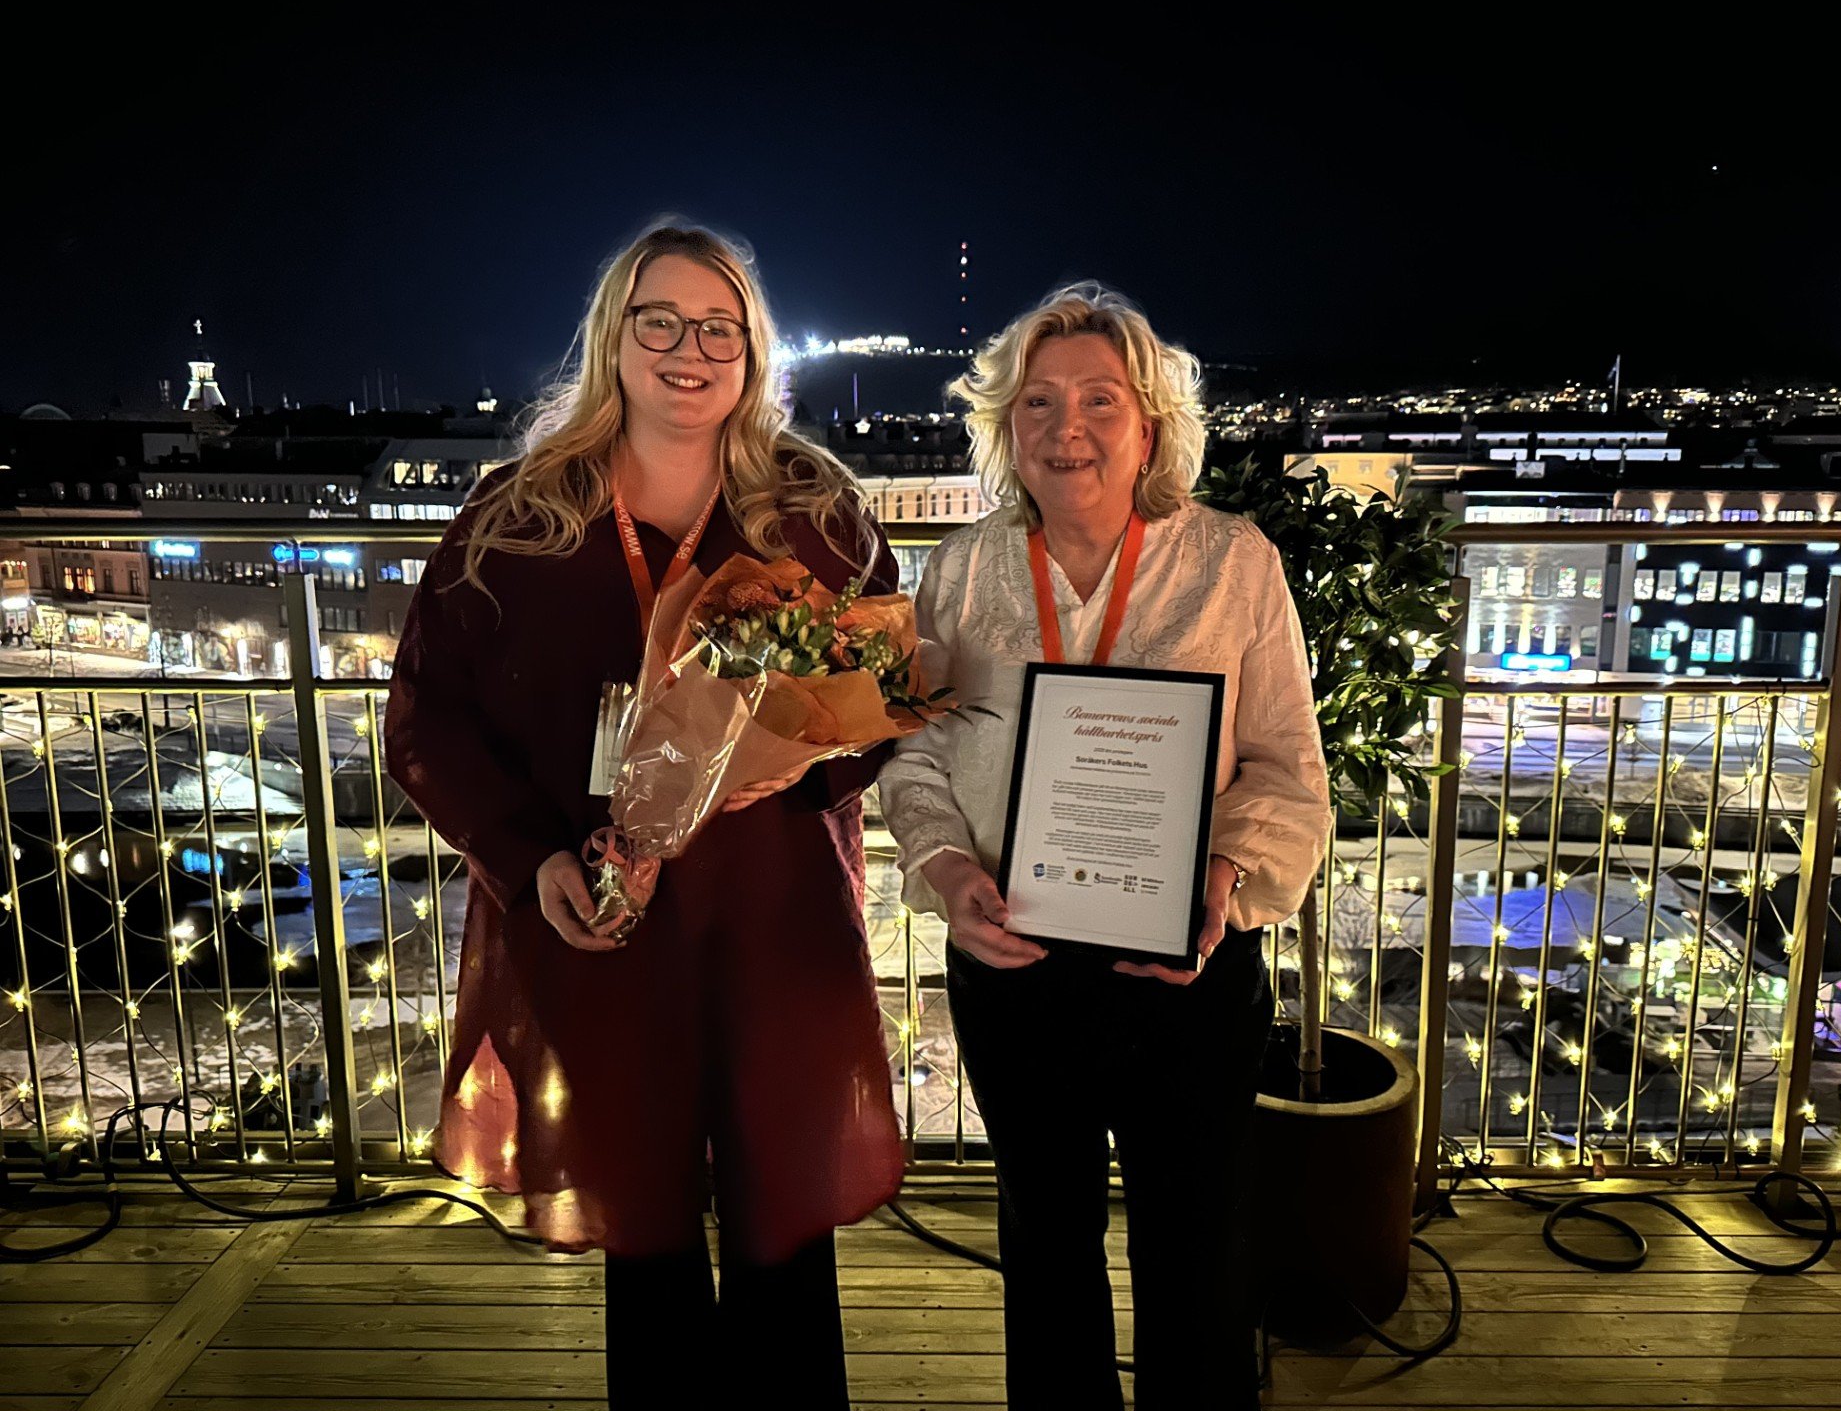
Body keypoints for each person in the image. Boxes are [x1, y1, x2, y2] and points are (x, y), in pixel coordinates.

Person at [384, 222, 903, 1409]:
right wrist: (528, 862)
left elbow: (883, 694)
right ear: (612, 338)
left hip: (773, 926)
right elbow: (426, 721)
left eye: (719, 328)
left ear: (753, 353)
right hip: (602, 923)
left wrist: (797, 770)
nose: (689, 349)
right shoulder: (519, 518)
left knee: (786, 1242)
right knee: (649, 1246)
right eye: (658, 321)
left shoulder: (814, 511)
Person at [878, 283, 1331, 1409]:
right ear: (1006, 425)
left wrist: (1221, 876)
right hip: (1013, 963)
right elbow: (911, 753)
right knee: (1045, 1252)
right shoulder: (961, 571)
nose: (1064, 428)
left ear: (1152, 423)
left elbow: (1286, 765)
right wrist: (946, 870)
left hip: (1186, 964)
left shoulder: (1234, 563)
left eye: (1098, 400)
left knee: (1200, 1254)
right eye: (1037, 401)